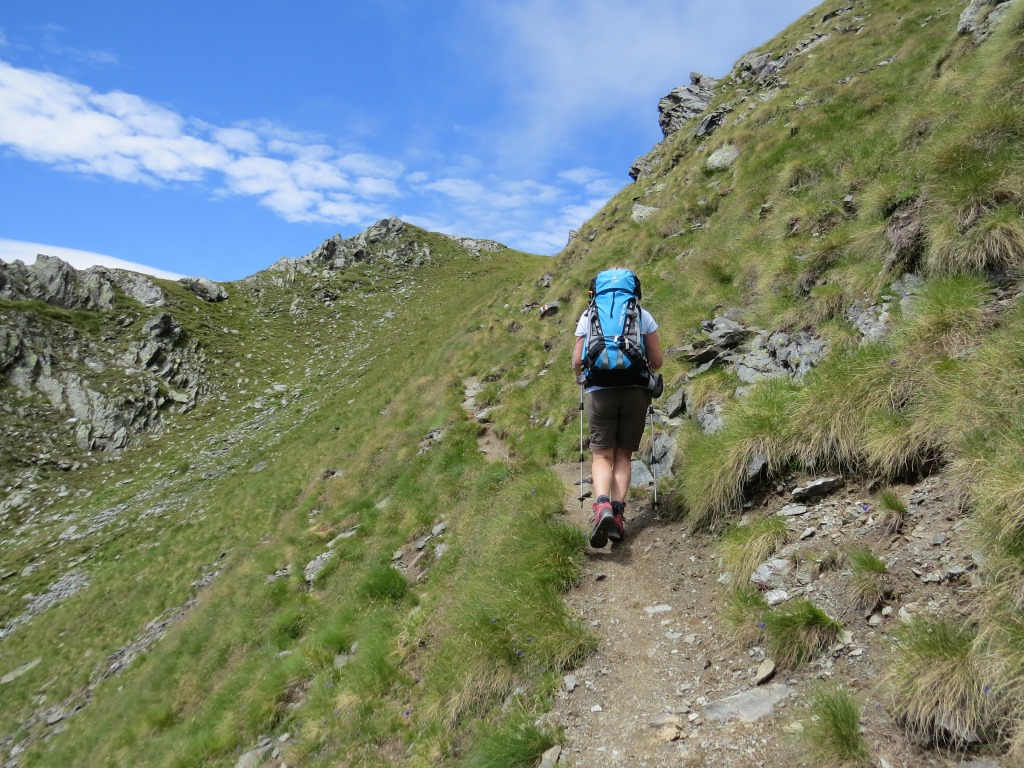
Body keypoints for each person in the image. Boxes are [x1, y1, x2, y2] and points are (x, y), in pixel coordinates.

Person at [572, 271, 663, 548]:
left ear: (595, 292)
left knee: (602, 455)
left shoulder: (589, 316)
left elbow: (577, 361)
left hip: (599, 391)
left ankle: (602, 508)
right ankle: (618, 514)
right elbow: (657, 362)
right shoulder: (642, 315)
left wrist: (583, 375)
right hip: (635, 390)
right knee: (623, 455)